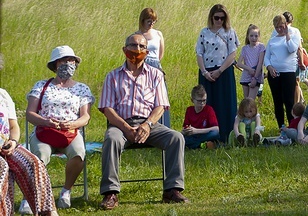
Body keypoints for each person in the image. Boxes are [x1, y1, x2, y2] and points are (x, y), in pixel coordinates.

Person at [99, 33, 187, 209]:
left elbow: (161, 106)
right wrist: (125, 127)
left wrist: (147, 125)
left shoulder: (155, 75)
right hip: (121, 124)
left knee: (176, 138)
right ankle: (111, 193)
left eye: (141, 46)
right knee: (112, 139)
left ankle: (172, 190)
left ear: (146, 51)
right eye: (132, 45)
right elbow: (107, 109)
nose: (137, 50)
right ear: (125, 49)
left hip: (149, 124)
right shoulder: (113, 76)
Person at [25, 46, 94, 209]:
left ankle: (66, 191)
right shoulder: (42, 86)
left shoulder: (82, 89)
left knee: (78, 153)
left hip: (70, 131)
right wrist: (45, 121)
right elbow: (30, 114)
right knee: (40, 155)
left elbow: (86, 116)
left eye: (72, 61)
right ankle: (32, 196)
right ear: (55, 64)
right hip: (45, 130)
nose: (69, 64)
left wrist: (73, 124)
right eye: (64, 61)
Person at [1, 87, 59, 216]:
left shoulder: (3, 94)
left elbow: (13, 126)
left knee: (33, 163)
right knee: (2, 168)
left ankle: (46, 211)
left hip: (7, 146)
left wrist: (14, 142)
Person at [195, 4, 239, 143]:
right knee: (207, 103)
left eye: (222, 18)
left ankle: (227, 135)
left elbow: (232, 53)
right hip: (207, 71)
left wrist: (220, 71)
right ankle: (208, 137)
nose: (219, 21)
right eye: (216, 18)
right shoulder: (204, 32)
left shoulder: (229, 32)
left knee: (225, 103)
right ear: (211, 17)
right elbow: (199, 52)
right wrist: (204, 72)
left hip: (223, 71)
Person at [265, 14, 302, 127]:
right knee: (278, 101)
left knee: (289, 101)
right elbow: (267, 57)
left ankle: (292, 125)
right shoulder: (272, 40)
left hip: (288, 72)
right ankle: (281, 126)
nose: (279, 30)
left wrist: (287, 35)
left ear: (286, 25)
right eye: (277, 28)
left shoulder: (293, 35)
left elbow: (292, 49)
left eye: (281, 27)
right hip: (274, 73)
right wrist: (269, 67)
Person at [139, 8, 170, 127]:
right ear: (143, 20)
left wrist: (156, 65)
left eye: (153, 21)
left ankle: (162, 125)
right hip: (143, 67)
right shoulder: (138, 35)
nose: (151, 23)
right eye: (149, 21)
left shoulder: (158, 34)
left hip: (156, 66)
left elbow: (160, 53)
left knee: (160, 96)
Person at [181, 85, 220, 150]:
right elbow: (185, 126)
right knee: (181, 138)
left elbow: (216, 129)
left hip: (204, 134)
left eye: (204, 100)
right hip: (193, 135)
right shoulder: (189, 110)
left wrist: (196, 131)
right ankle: (202, 145)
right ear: (192, 100)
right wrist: (186, 131)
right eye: (199, 101)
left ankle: (195, 145)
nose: (202, 103)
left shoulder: (209, 109)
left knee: (215, 134)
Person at [236, 25, 265, 100]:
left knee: (250, 100)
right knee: (246, 101)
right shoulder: (245, 48)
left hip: (256, 76)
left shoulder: (261, 47)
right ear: (248, 36)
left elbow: (260, 63)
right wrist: (249, 69)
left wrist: (255, 77)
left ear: (259, 36)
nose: (254, 38)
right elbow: (239, 63)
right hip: (246, 76)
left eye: (256, 36)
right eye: (251, 36)